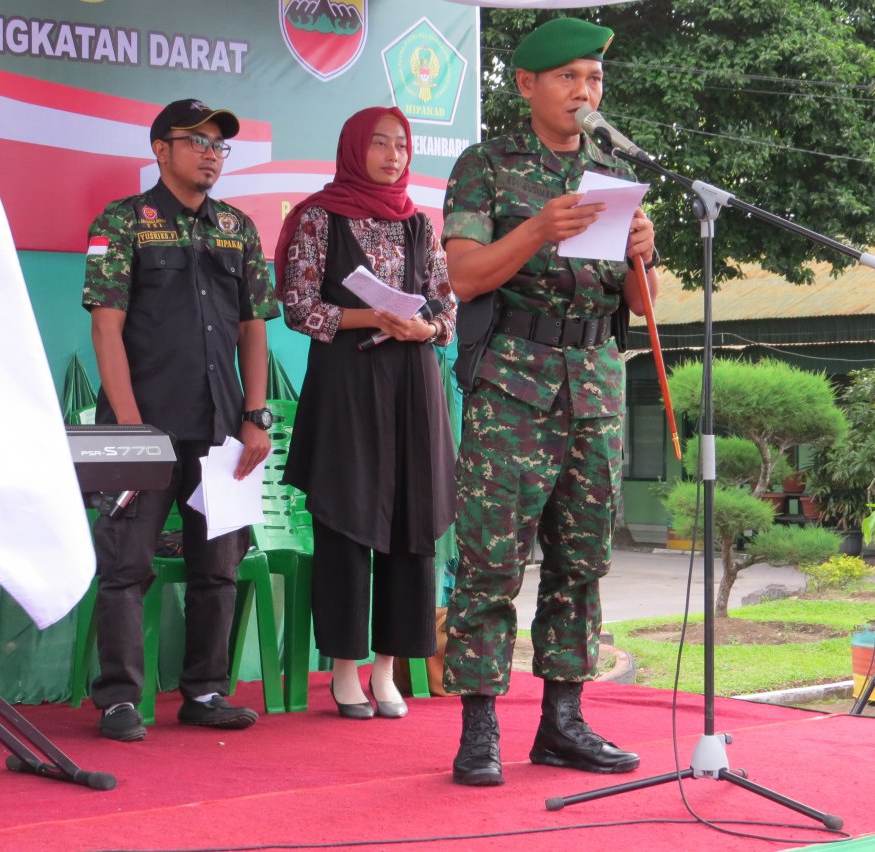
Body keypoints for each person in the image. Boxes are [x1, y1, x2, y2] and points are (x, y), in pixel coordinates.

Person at [440, 18, 659, 785]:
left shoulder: (611, 172)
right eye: (568, 76)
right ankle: (479, 728)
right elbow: (464, 277)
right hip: (513, 388)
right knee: (491, 561)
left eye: (594, 77)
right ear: (527, 84)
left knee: (582, 560)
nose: (584, 90)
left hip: (594, 385)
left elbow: (642, 304)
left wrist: (642, 255)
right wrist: (537, 228)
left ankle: (563, 723)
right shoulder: (486, 165)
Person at [82, 98, 278, 741]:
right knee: (126, 568)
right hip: (142, 429)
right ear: (160, 150)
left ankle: (205, 691)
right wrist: (132, 430)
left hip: (220, 428)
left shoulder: (237, 228)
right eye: (196, 141)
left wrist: (255, 415)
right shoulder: (121, 222)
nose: (210, 154)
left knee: (217, 567)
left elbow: (254, 328)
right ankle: (119, 700)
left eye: (219, 145)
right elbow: (106, 330)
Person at [274, 106, 457, 720]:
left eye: (401, 145)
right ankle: (344, 669)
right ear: (355, 148)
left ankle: (386, 669)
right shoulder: (319, 217)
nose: (392, 155)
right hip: (347, 385)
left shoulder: (420, 225)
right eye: (379, 143)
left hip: (412, 385)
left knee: (410, 521)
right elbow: (298, 306)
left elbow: (447, 309)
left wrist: (424, 327)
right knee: (347, 519)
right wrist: (368, 317)